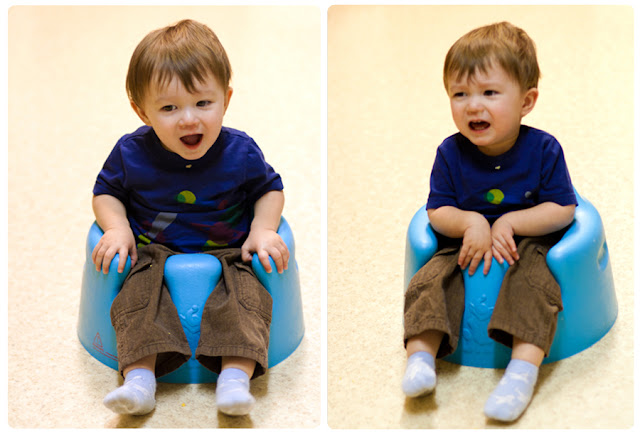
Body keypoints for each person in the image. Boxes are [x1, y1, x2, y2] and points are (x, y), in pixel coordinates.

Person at [91, 19, 289, 417]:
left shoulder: (241, 151)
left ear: (226, 99)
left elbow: (270, 189)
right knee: (137, 299)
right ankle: (139, 381)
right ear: (142, 111)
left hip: (230, 252)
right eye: (168, 108)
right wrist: (117, 227)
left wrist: (263, 229)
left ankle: (234, 380)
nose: (188, 119)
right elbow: (105, 193)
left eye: (203, 103)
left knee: (246, 299)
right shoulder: (130, 153)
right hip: (152, 253)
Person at [402, 22, 577, 422]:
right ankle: (420, 360)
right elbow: (437, 211)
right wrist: (470, 223)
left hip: (527, 243)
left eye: (489, 93)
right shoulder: (450, 153)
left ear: (526, 101)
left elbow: (563, 209)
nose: (472, 106)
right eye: (459, 94)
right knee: (429, 280)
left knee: (535, 285)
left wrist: (512, 222)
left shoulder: (544, 149)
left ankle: (521, 373)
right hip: (463, 244)